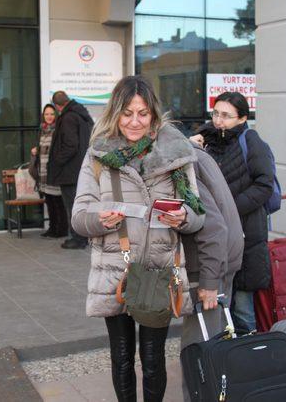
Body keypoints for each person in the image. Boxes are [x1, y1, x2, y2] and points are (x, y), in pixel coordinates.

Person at [72, 75, 205, 402]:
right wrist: (100, 219)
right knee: (120, 357)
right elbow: (78, 217)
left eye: (142, 114)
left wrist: (183, 216)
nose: (134, 122)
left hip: (158, 272)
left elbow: (198, 214)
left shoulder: (177, 154)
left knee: (153, 357)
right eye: (127, 113)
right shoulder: (98, 156)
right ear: (115, 113)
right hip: (115, 271)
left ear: (153, 116)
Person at [190, 91, 274, 334]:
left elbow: (265, 185)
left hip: (247, 233)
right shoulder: (205, 139)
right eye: (216, 113)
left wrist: (230, 207)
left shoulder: (251, 141)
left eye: (226, 116)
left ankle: (248, 355)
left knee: (243, 309)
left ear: (242, 118)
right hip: (216, 235)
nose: (218, 121)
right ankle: (221, 354)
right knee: (217, 302)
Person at [180, 141, 244, 402]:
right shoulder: (192, 153)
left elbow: (214, 228)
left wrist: (208, 281)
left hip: (210, 263)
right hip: (221, 258)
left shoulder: (180, 162)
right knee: (215, 343)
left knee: (199, 351)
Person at [48, 90, 94, 249]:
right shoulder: (81, 115)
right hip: (81, 169)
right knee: (80, 204)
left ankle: (78, 238)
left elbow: (70, 145)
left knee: (73, 205)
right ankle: (83, 237)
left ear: (57, 106)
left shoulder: (68, 118)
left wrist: (57, 160)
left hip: (70, 171)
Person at [30, 104, 68, 238]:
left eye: (52, 114)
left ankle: (62, 229)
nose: (49, 117)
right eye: (46, 114)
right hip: (44, 172)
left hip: (54, 172)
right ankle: (52, 228)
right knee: (50, 202)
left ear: (56, 115)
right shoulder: (42, 130)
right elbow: (43, 148)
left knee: (58, 202)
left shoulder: (58, 130)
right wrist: (36, 150)